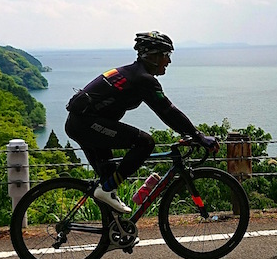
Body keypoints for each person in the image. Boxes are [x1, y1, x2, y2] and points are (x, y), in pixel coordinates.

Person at [65, 31, 218, 214]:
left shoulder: (131, 72)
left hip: (81, 123)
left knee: (110, 176)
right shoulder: (143, 79)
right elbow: (167, 110)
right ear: (152, 56)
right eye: (166, 55)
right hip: (86, 124)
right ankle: (106, 191)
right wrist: (198, 136)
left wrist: (190, 133)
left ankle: (114, 234)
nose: (168, 61)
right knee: (145, 142)